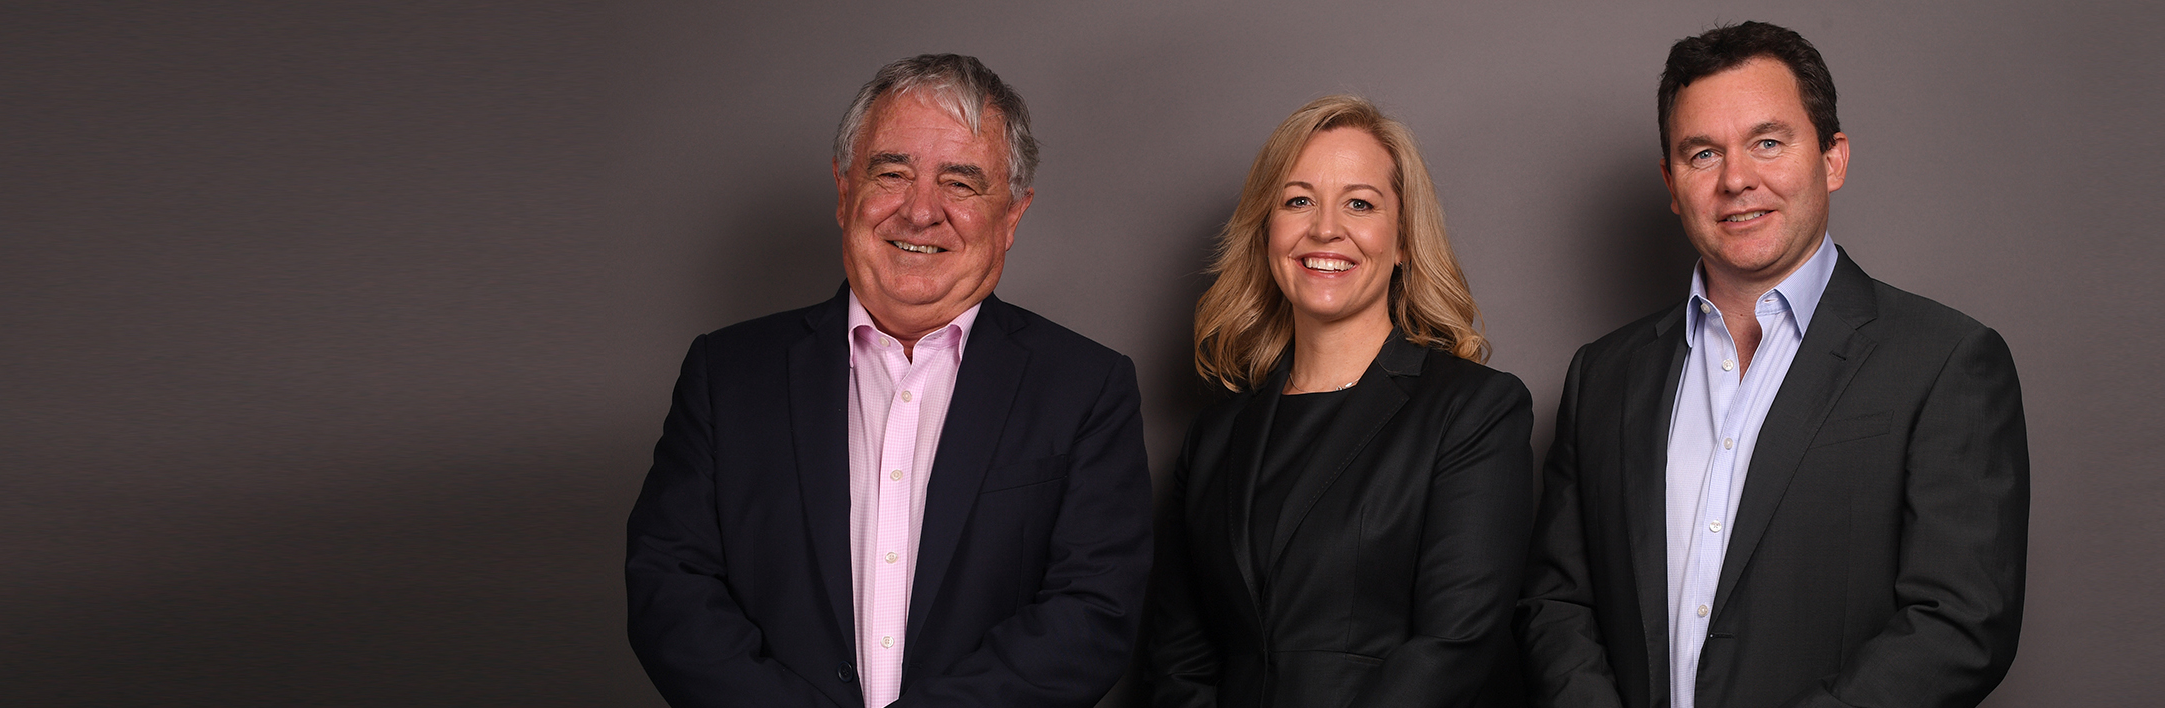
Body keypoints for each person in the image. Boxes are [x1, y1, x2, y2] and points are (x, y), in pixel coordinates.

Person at [1521, 22, 2033, 708]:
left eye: (1767, 143)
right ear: (1671, 183)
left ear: (1832, 159)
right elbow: (1557, 601)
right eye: (1703, 153)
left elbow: (1962, 622)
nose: (1736, 179)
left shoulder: (1945, 362)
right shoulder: (1603, 377)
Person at [626, 54, 1150, 708]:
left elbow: (1090, 613)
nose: (920, 211)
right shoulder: (725, 374)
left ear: (1012, 216)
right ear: (845, 191)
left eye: (960, 183)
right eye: (892, 173)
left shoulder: (1086, 388)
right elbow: (670, 589)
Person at [1140, 96, 1537, 708]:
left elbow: (1453, 647)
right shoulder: (1215, 438)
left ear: (1402, 240)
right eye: (1298, 201)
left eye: (1360, 203)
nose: (1325, 229)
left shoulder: (1474, 411)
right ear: (1267, 231)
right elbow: (1178, 661)